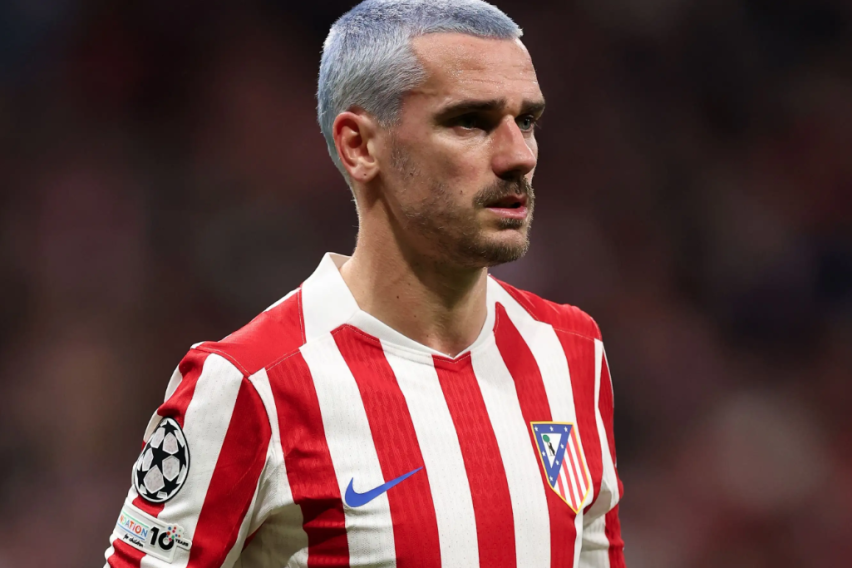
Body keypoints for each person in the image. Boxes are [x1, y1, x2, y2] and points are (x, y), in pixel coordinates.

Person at [103, 0, 626, 566]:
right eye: (470, 121)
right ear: (360, 145)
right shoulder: (251, 385)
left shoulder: (571, 352)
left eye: (526, 121)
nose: (518, 155)